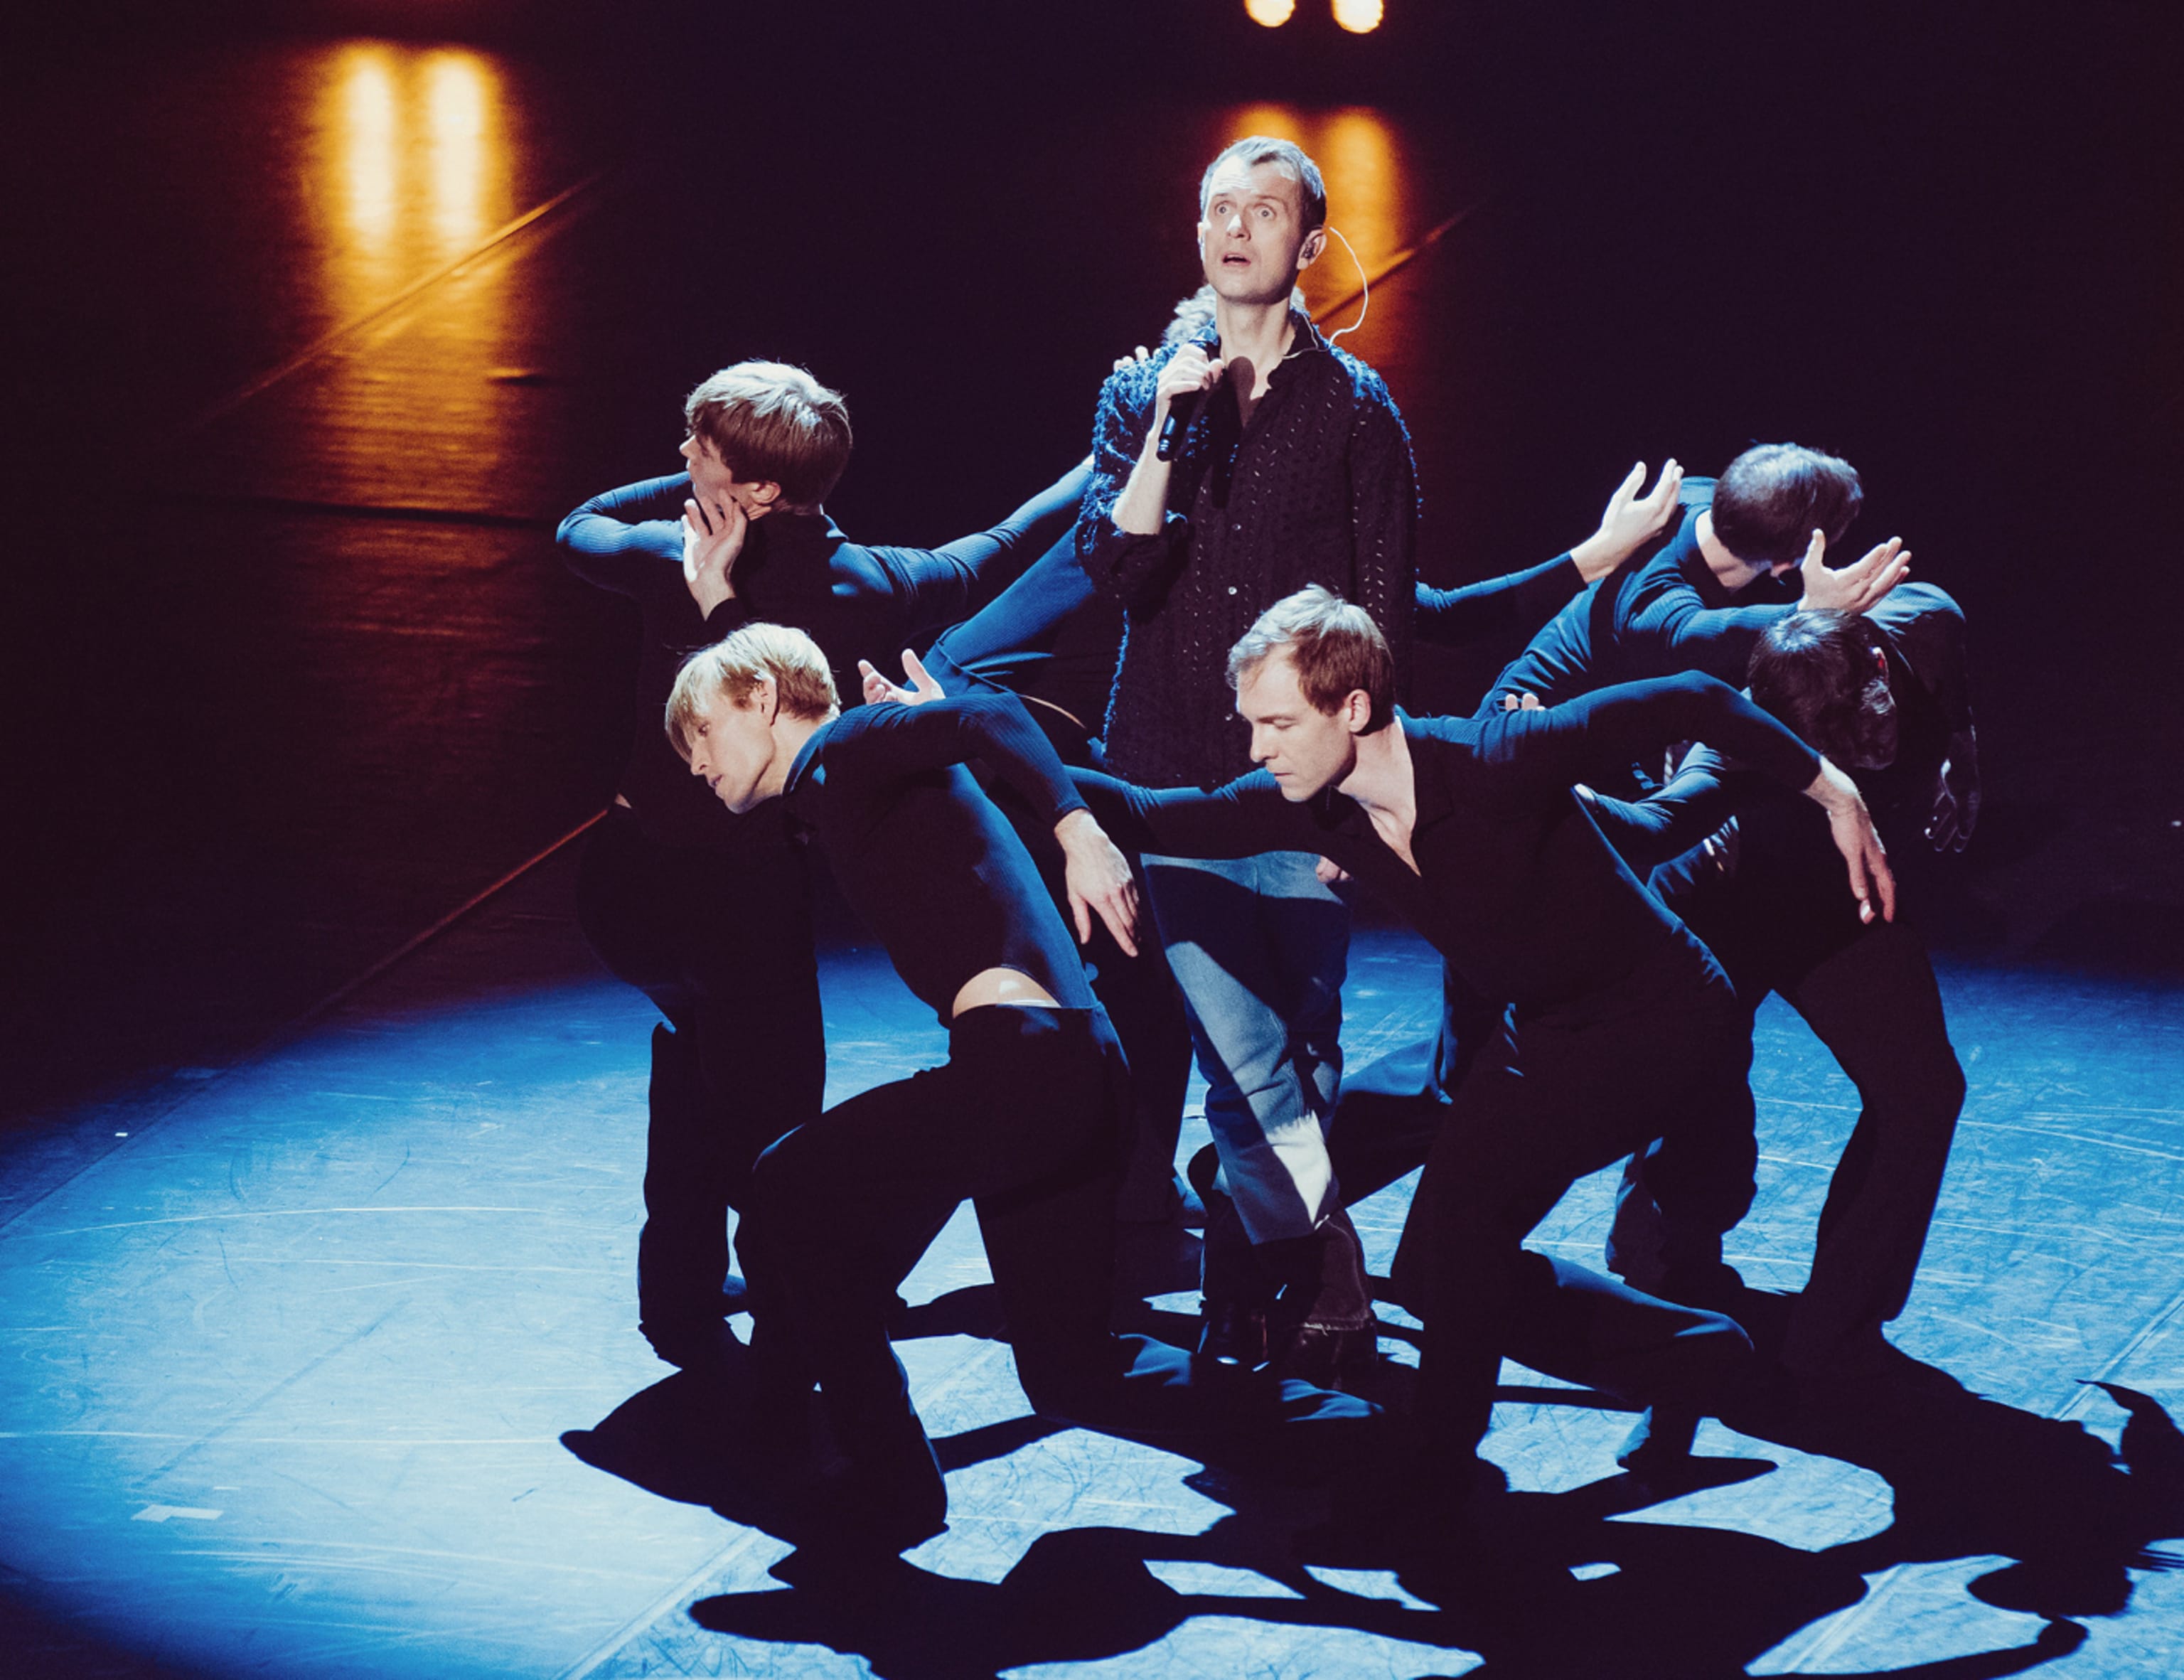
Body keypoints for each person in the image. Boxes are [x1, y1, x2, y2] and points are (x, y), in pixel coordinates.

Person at [1061, 586, 1895, 1508]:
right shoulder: (1312, 806)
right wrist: (978, 738)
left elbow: (1691, 701)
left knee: (1466, 1236)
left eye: (1278, 723)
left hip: (1662, 1019)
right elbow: (1149, 809)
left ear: (1353, 706)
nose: (1258, 747)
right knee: (1432, 1265)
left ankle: (1439, 1457)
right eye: (1252, 724)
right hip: (1542, 1029)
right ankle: (1688, 1350)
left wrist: (1834, 787)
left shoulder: (1492, 757)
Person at [666, 624, 1380, 1551]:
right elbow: (1022, 761)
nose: (696, 763)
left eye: (704, 733)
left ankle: (883, 1480)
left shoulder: (846, 747)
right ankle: (1377, 1442)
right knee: (1077, 1371)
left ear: (763, 698)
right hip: (1076, 1071)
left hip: (1023, 1066)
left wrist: (1076, 830)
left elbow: (995, 715)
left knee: (781, 1191)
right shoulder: (875, 771)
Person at [557, 360, 1081, 1369]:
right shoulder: (876, 584)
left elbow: (577, 526)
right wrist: (1104, 461)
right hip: (737, 901)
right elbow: (1005, 545)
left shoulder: (677, 557)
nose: (682, 458)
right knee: (771, 1109)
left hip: (622, 890)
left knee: (698, 1051)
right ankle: (786, 1293)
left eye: (698, 449)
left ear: (752, 490)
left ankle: (679, 1288)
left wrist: (678, 510)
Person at [1074, 135, 1418, 1378]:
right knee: (1235, 1045)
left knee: (1302, 1049)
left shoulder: (1355, 409)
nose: (1234, 228)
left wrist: (1373, 794)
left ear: (1307, 244)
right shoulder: (1141, 391)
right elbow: (1116, 567)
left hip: (1295, 787)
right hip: (1167, 771)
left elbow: (1383, 614)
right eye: (1217, 205)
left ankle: (1247, 1276)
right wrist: (1170, 426)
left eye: (1263, 210)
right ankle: (1319, 1276)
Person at [1585, 590, 1977, 1378]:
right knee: (1703, 1097)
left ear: (1877, 662)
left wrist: (1962, 767)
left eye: (1871, 729)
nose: (1865, 755)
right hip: (1725, 902)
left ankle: (1837, 1328)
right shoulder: (1730, 723)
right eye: (1829, 750)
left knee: (1924, 1090)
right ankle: (1665, 1249)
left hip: (1845, 905)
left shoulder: (1925, 623)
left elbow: (1955, 704)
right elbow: (1662, 827)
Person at [1468, 443, 1909, 724]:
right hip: (1521, 726)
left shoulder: (1702, 499)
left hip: (1603, 728)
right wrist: (1807, 612)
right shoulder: (1660, 615)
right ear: (1782, 566)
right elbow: (1707, 633)